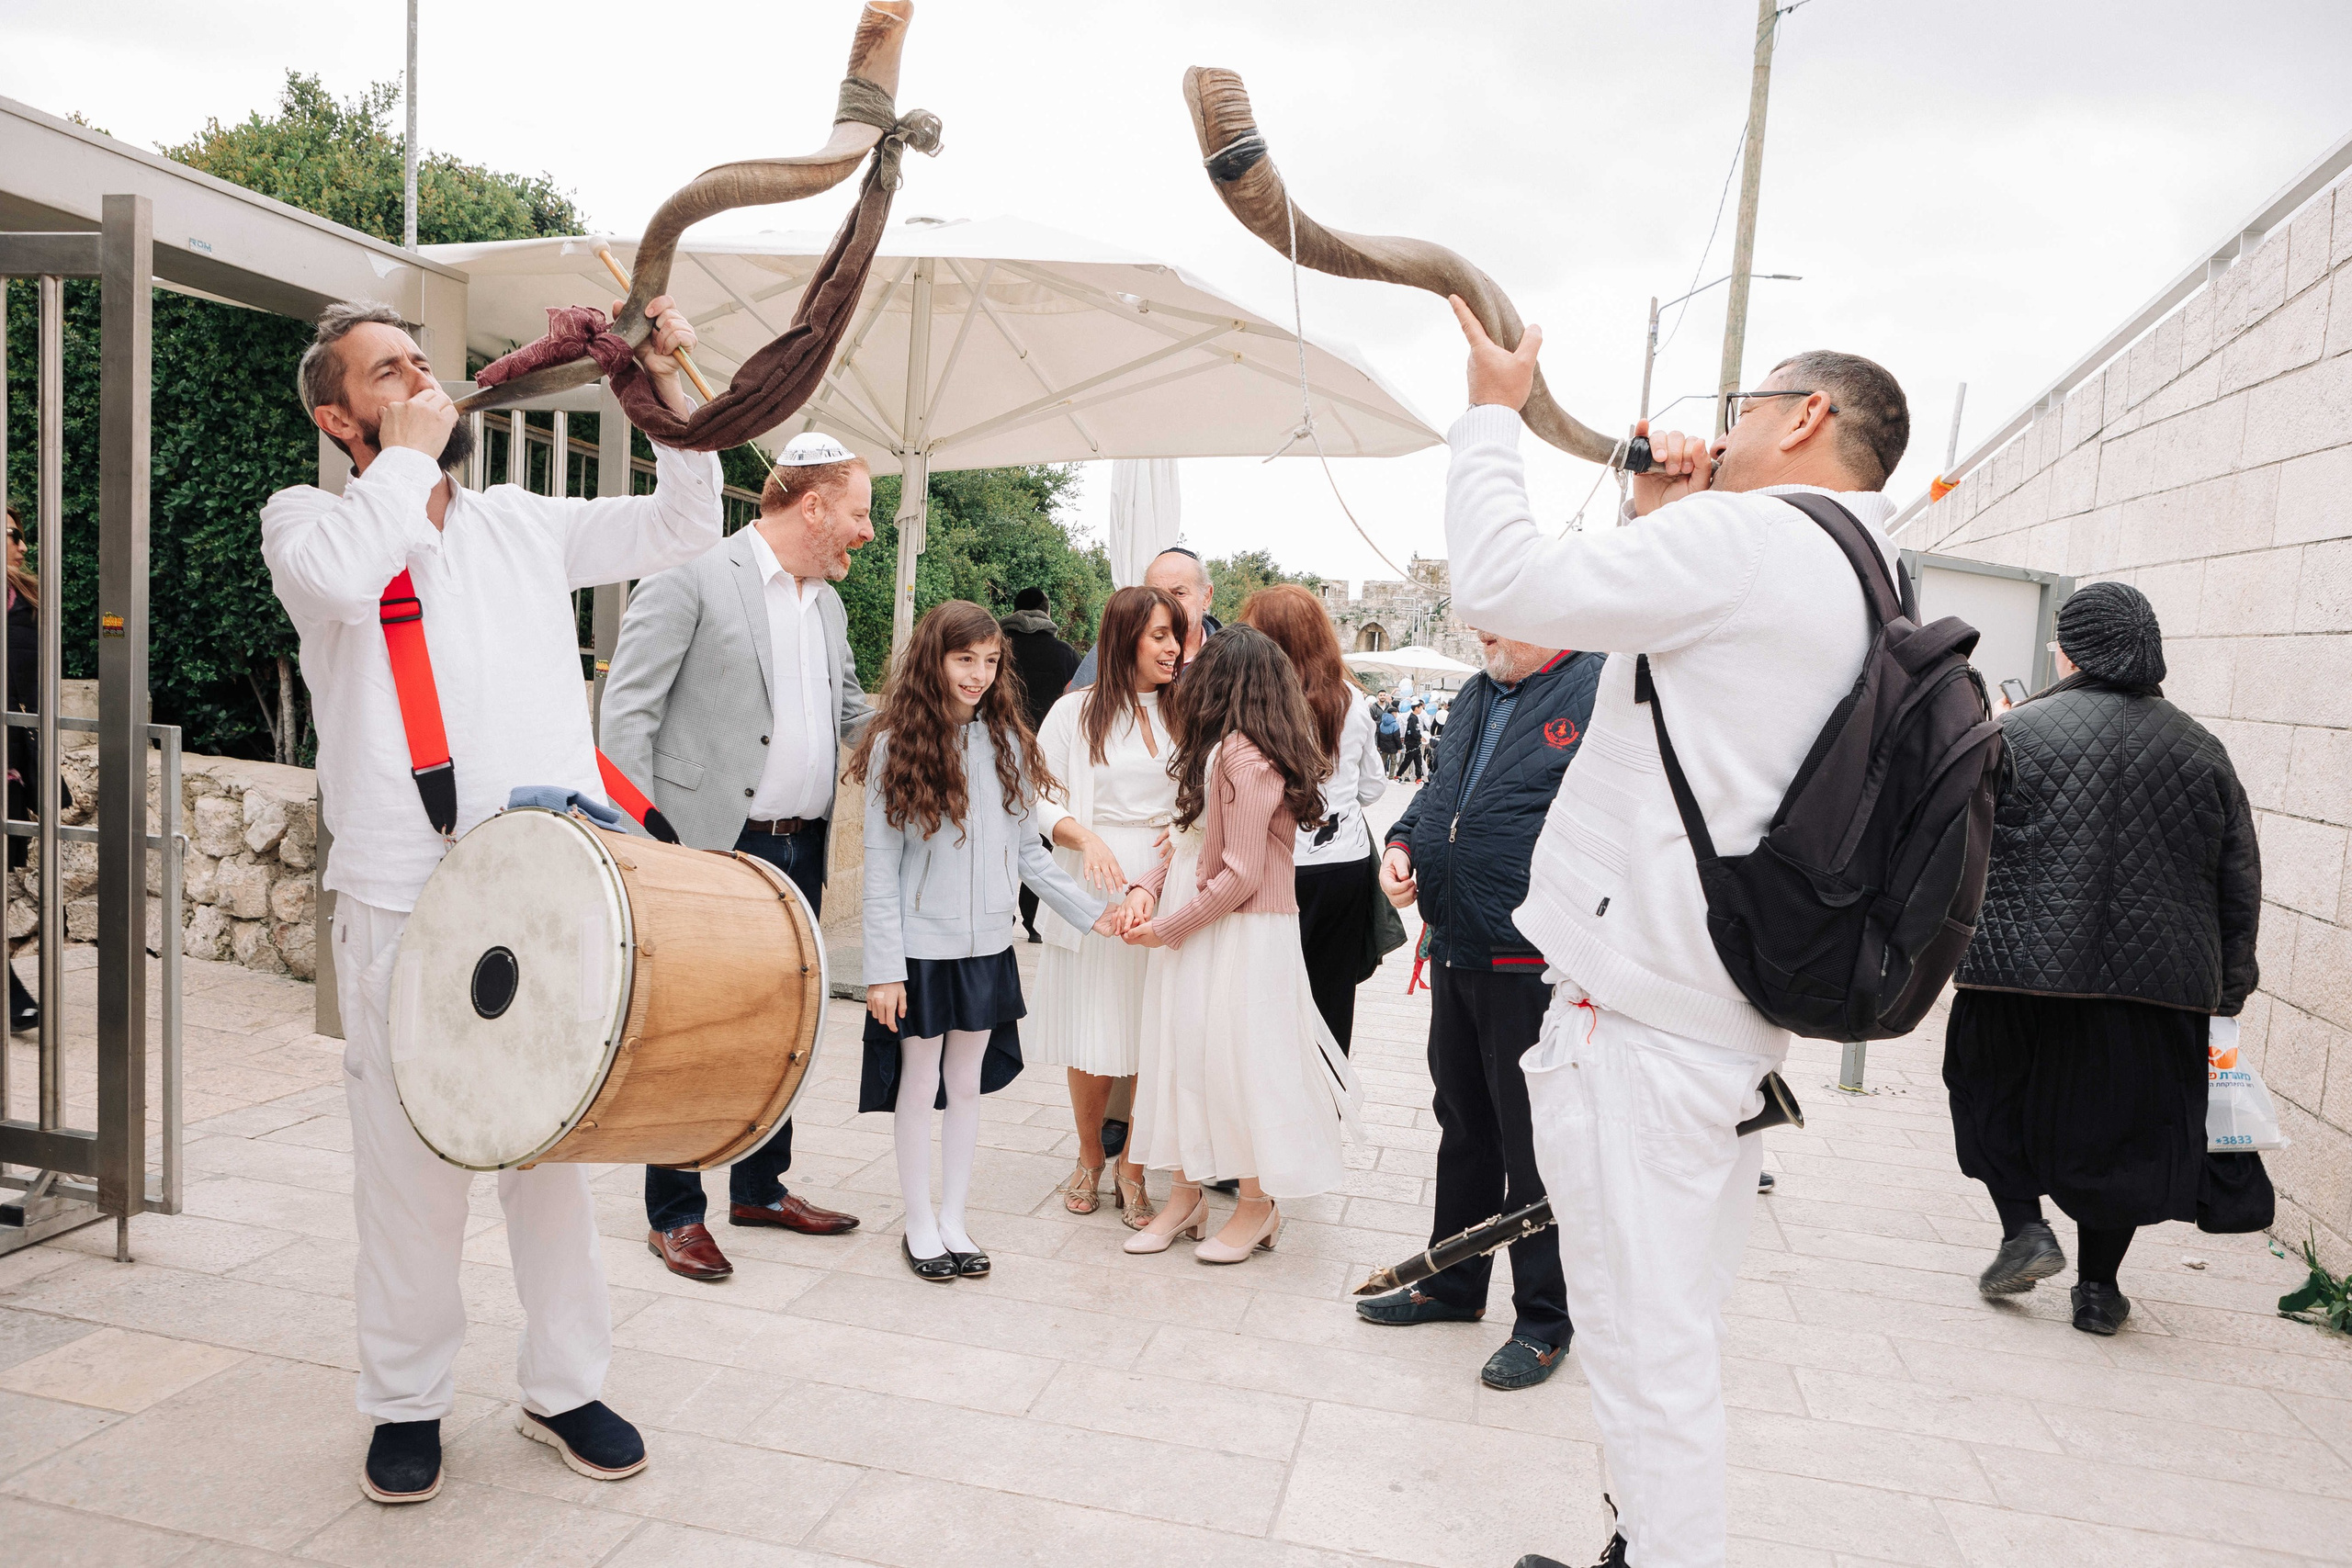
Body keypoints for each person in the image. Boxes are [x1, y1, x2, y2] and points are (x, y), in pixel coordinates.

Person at [1444, 297, 1917, 1568]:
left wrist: (1494, 414)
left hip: (1646, 1027)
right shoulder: (1866, 563)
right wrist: (1668, 515)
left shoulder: (1758, 543)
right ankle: (1638, 1540)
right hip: (1712, 1019)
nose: (1731, 427)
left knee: (1649, 1362)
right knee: (1669, 1336)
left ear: (1807, 416)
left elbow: (1501, 582)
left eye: (1744, 407)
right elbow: (1675, 687)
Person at [264, 297, 718, 1504]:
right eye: (389, 371)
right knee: (408, 1171)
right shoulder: (313, 519)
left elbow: (683, 522)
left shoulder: (520, 521)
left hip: (546, 886)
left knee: (550, 1157)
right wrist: (407, 452)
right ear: (337, 414)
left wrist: (656, 380)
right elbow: (348, 567)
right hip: (401, 897)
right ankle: (405, 1400)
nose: (423, 377)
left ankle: (565, 1382)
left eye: (425, 361)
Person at [1946, 581, 2259, 1336]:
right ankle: (2097, 1289)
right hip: (2157, 985)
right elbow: (2237, 873)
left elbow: (1963, 843)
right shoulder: (2202, 749)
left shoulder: (2016, 732)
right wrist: (2232, 985)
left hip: (2015, 967)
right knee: (2119, 1131)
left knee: (1987, 1092)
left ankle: (2024, 1226)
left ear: (2072, 647)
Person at [598, 430, 875, 1283]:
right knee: (689, 1027)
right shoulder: (688, 576)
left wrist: (946, 710)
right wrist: (644, 850)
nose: (868, 532)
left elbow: (854, 713)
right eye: (860, 513)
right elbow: (623, 722)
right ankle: (675, 1213)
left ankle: (760, 1186)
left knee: (781, 1022)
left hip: (802, 846)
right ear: (815, 505)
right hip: (704, 853)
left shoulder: (826, 605)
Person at [1361, 629, 1600, 1392]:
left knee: (1534, 1141)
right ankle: (1453, 1283)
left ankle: (1543, 1319)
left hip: (1535, 955)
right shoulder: (1475, 692)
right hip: (1459, 942)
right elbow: (1439, 795)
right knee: (1462, 1122)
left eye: (1497, 616)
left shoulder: (1598, 687)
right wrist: (1403, 842)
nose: (1483, 634)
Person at [851, 600, 1114, 1281]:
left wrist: (1093, 913)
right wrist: (883, 969)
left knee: (965, 1086)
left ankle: (954, 1220)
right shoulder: (892, 745)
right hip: (917, 951)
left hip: (988, 946)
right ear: (934, 659)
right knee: (918, 1083)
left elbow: (1030, 853)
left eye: (990, 661)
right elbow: (879, 870)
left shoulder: (1009, 742)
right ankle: (918, 1224)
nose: (978, 673)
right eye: (965, 658)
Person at [1116, 626, 1360, 1265]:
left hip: (1241, 930)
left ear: (1224, 681)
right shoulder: (1217, 750)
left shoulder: (1246, 759)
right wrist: (1147, 887)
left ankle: (1257, 1205)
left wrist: (1167, 928)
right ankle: (1186, 1194)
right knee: (1184, 1055)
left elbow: (1242, 873)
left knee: (1240, 1067)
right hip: (1202, 921)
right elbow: (1183, 841)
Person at [1028, 585, 1186, 1226]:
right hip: (1091, 880)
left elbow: (1202, 798)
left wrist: (1167, 862)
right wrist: (1084, 836)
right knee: (1092, 1030)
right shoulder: (1075, 712)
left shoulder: (1189, 710)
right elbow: (1036, 795)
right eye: (1158, 634)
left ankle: (1135, 1166)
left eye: (1175, 633)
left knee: (1155, 1032)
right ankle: (1090, 1154)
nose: (1173, 646)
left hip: (1165, 879)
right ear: (1123, 638)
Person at [1239, 584, 1386, 1053]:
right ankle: (1327, 1100)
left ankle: (1269, 1098)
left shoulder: (1251, 702)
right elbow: (1374, 787)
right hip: (1342, 866)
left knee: (1264, 991)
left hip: (1269, 864)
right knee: (1331, 992)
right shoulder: (1352, 700)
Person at [1001, 586, 1081, 942]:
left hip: (996, 749)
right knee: (1040, 836)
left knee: (994, 836)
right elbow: (1078, 701)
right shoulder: (1064, 653)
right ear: (1046, 612)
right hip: (1043, 755)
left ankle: (999, 915)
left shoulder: (996, 647)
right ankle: (1033, 923)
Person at [3, 503, 54, 1033]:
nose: (23, 546)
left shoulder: (28, 601)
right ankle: (13, 996)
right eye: (13, 535)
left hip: (12, 763)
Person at [1068, 546, 1219, 687]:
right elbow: (1078, 707)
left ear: (1206, 596)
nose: (1166, 605)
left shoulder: (1229, 657)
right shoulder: (1116, 646)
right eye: (1156, 594)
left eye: (1179, 593)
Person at [1399, 698, 1427, 782]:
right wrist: (1420, 737)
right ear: (1416, 708)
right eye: (1420, 708)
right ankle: (1398, 775)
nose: (1421, 710)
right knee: (1407, 761)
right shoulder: (1412, 718)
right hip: (1412, 743)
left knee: (1418, 762)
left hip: (1416, 743)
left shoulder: (1415, 717)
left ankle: (1418, 778)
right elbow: (1412, 731)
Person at [1375, 697, 1404, 778]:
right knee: (1393, 761)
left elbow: (1379, 735)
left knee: (1382, 761)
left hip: (1383, 746)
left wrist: (1379, 745)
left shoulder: (1382, 723)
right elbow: (1397, 737)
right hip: (1393, 747)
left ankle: (1380, 775)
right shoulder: (1395, 724)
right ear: (1393, 713)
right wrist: (1399, 747)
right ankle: (1391, 776)